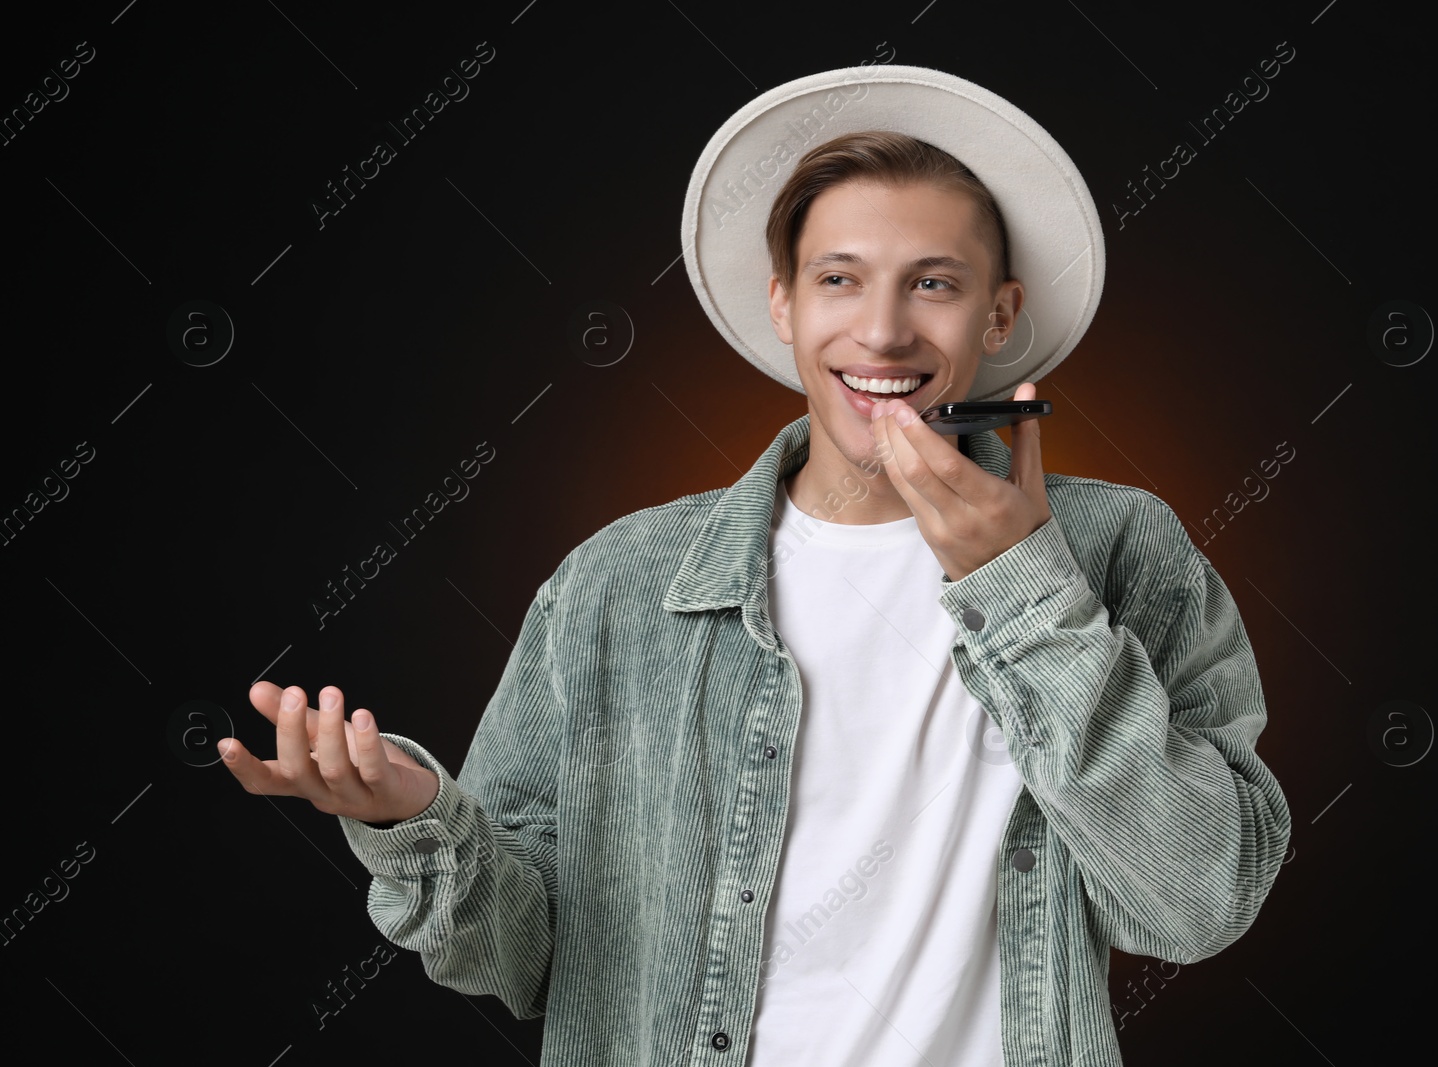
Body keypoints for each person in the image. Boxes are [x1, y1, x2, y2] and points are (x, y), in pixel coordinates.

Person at [218, 64, 1291, 1066]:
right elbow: (527, 953)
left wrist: (1020, 584)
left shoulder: (1116, 548)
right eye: (839, 278)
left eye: (932, 282)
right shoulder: (618, 581)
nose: (881, 328)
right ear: (783, 303)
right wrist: (411, 816)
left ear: (998, 312)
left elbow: (1201, 900)